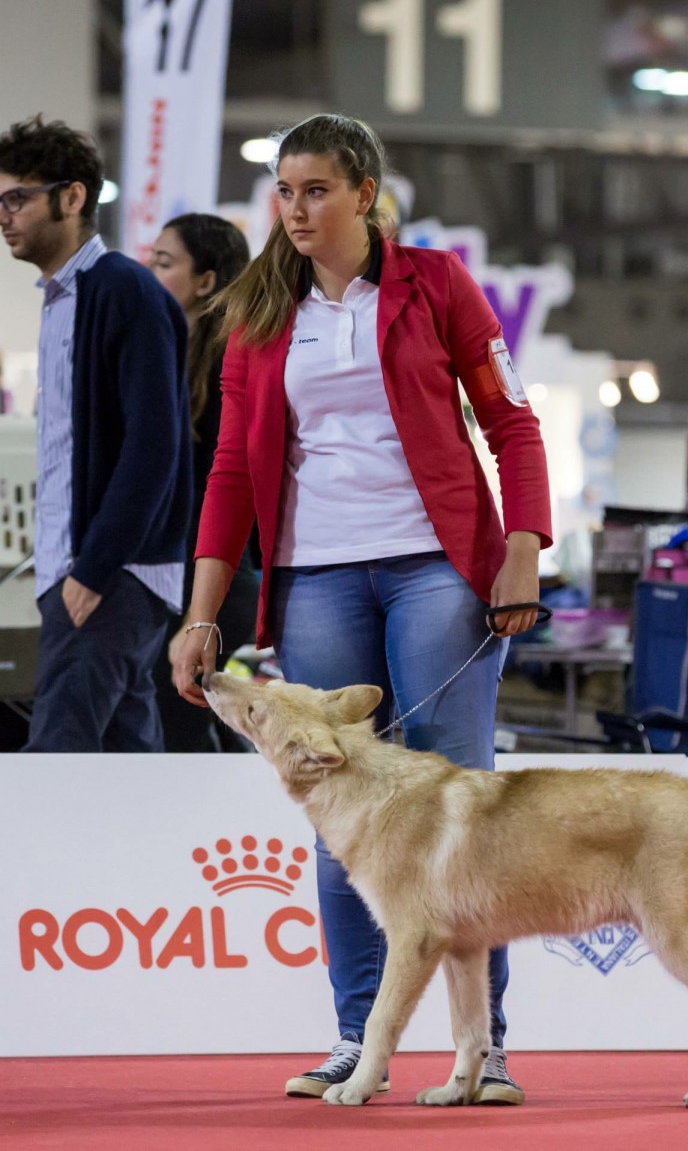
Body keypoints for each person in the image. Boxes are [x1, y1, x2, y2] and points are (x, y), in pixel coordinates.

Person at [173, 113, 552, 1102]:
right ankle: (357, 1037)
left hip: (439, 566)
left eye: (314, 190)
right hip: (316, 576)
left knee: (457, 810)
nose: (294, 209)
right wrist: (201, 612)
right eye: (283, 191)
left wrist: (522, 548)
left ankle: (485, 1046)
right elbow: (228, 473)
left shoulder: (436, 283)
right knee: (341, 811)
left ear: (364, 192)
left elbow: (510, 419)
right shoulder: (258, 307)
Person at [0, 115, 191, 752]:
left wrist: (95, 570)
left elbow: (154, 446)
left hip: (109, 574)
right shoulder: (62, 299)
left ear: (73, 196)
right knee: (125, 762)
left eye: (18, 198)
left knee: (56, 761)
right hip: (81, 572)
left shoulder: (119, 290)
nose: (5, 215)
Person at [148, 213, 257, 752]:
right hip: (192, 571)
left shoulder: (226, 363)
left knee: (181, 705)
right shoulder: (177, 354)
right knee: (191, 708)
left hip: (218, 573)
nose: (149, 272)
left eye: (164, 263)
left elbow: (222, 488)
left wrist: (198, 613)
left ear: (206, 280)